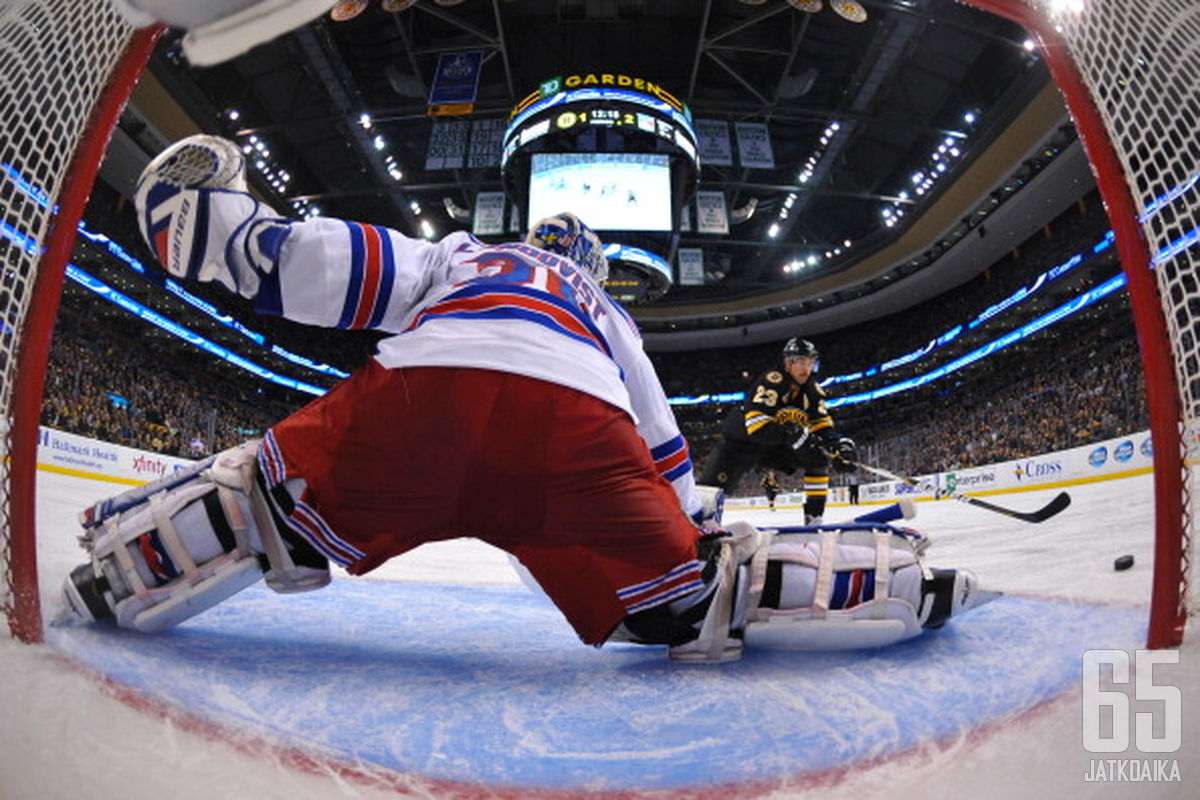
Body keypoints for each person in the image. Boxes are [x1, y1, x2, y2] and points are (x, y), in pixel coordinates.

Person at [55, 135, 995, 662]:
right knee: (692, 595)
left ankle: (117, 577)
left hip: (424, 409)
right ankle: (896, 584)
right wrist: (678, 525)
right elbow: (659, 439)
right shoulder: (608, 317)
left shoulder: (469, 255)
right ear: (593, 268)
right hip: (576, 446)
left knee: (265, 498)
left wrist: (234, 237)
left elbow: (333, 266)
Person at [699, 338, 857, 524]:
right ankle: (701, 527)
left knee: (818, 458)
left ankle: (814, 519)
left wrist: (838, 445)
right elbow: (757, 427)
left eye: (810, 363)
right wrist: (795, 436)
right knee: (709, 491)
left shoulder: (812, 390)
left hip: (772, 448)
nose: (807, 369)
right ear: (787, 363)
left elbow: (821, 424)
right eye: (801, 363)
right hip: (738, 445)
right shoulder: (772, 380)